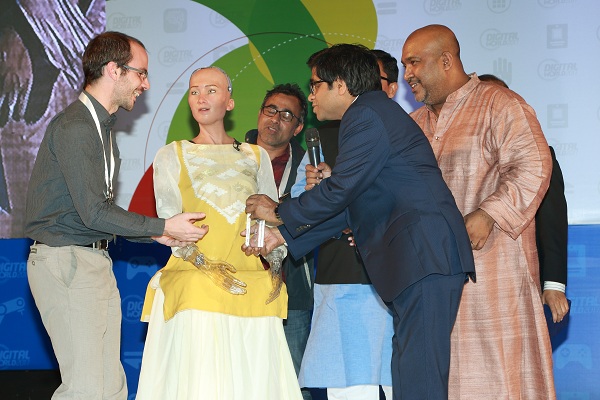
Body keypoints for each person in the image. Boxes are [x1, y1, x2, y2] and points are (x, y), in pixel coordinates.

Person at [243, 43, 475, 400]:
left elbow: (340, 191)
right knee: (409, 373)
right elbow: (349, 203)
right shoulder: (372, 113)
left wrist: (278, 212)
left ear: (340, 85)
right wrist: (283, 235)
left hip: (424, 257)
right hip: (419, 260)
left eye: (315, 85)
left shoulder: (366, 115)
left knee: (420, 377)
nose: (311, 95)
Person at [24, 31, 208, 400]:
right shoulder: (77, 127)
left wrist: (156, 234)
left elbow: (96, 212)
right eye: (141, 73)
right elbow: (94, 212)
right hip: (69, 260)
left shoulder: (100, 128)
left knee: (109, 388)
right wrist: (161, 225)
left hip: (90, 260)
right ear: (114, 70)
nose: (146, 84)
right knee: (87, 389)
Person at [401, 25, 556, 399]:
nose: (407, 74)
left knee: (500, 379)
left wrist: (489, 214)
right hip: (431, 283)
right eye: (404, 65)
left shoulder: (500, 104)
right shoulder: (412, 126)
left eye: (414, 63)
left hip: (493, 276)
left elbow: (534, 164)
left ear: (446, 60)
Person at [135, 67, 302, 400]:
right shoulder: (171, 154)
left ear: (229, 101)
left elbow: (271, 222)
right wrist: (205, 264)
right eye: (194, 91)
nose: (201, 97)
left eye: (211, 90)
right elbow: (169, 224)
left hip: (251, 280)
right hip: (196, 278)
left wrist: (274, 260)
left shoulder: (256, 156)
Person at [291, 49, 398, 400]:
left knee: (402, 380)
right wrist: (315, 193)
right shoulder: (323, 138)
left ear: (391, 89)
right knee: (348, 385)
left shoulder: (405, 132)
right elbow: (300, 202)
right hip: (342, 275)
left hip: (397, 274)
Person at [478, 74, 569, 324]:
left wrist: (553, 285)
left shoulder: (538, 155)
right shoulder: (457, 155)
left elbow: (552, 220)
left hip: (522, 280)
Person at [245, 83, 314, 400]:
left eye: (287, 115)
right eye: (270, 110)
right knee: (239, 381)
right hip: (238, 284)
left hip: (291, 289)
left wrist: (278, 210)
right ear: (260, 113)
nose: (275, 119)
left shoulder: (309, 167)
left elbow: (317, 215)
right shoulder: (232, 156)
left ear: (298, 127)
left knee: (293, 385)